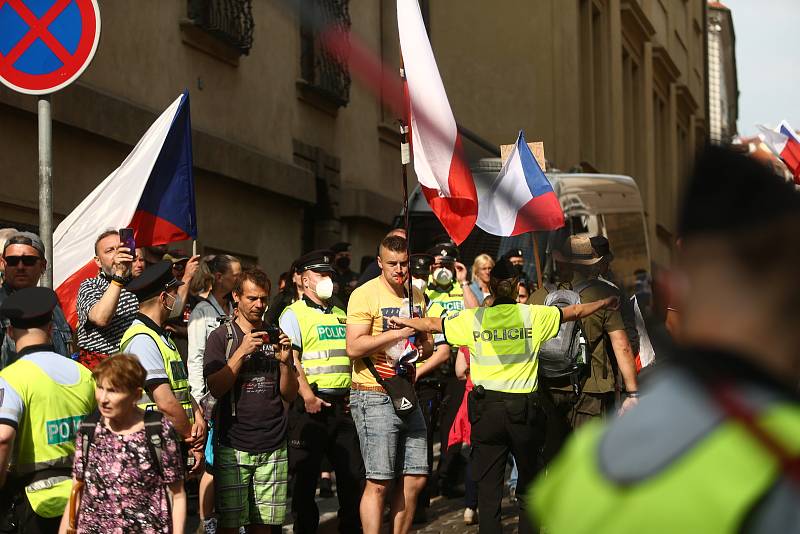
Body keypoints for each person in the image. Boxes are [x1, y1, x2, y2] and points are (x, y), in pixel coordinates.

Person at [531, 145, 800, 532]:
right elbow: (625, 343)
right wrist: (632, 390)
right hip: (598, 391)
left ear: (673, 287)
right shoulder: (784, 460)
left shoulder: (581, 470)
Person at [389, 258, 623, 534]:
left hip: (486, 412)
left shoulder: (474, 318)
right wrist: (605, 303)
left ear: (492, 290)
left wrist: (402, 320)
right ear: (513, 288)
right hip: (523, 413)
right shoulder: (533, 315)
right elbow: (576, 311)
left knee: (488, 494)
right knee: (530, 488)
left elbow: (431, 324)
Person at [345, 234, 432, 534]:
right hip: (373, 394)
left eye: (404, 264)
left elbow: (428, 346)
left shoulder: (417, 295)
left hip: (407, 391)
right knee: (379, 481)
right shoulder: (364, 295)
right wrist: (396, 333)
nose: (399, 270)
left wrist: (423, 342)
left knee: (416, 476)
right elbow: (354, 347)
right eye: (392, 264)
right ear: (380, 263)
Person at [204, 268, 299, 533]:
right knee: (231, 526)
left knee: (264, 527)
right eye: (252, 298)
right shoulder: (221, 337)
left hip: (273, 444)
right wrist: (241, 353)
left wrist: (284, 364)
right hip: (234, 445)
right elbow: (216, 388)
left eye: (264, 299)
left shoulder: (275, 334)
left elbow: (290, 394)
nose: (259, 305)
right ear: (236, 297)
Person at [279, 250, 363, 534]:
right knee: (305, 482)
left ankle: (350, 528)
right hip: (312, 407)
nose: (327, 279)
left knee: (352, 477)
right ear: (304, 279)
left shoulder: (341, 312)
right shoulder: (293, 314)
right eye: (320, 274)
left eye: (329, 274)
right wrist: (307, 396)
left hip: (342, 407)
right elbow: (292, 359)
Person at [0, 287, 96, 533]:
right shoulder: (84, 375)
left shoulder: (10, 378)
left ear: (10, 332)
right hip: (83, 498)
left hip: (34, 504)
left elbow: (3, 438)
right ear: (51, 329)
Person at [59, 354, 186, 534]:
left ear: (136, 394)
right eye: (100, 388)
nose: (103, 398)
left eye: (113, 391)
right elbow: (77, 490)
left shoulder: (158, 430)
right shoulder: (89, 429)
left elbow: (178, 495)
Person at [531, 235, 640, 431]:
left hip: (547, 387)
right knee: (588, 455)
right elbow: (622, 345)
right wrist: (632, 393)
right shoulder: (604, 295)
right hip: (590, 389)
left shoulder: (539, 296)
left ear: (560, 262)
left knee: (554, 456)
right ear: (591, 264)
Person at [119, 262, 206, 474]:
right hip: (151, 444)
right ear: (163, 298)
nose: (177, 299)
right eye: (174, 292)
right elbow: (165, 402)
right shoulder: (142, 339)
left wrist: (198, 414)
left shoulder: (160, 336)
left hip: (168, 440)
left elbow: (180, 387)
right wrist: (191, 440)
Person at [1, 232, 72, 368]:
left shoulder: (53, 306)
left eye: (29, 261)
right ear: (4, 264)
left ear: (43, 265)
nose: (20, 267)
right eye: (12, 261)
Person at [76, 230, 139, 369]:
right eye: (110, 250)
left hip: (137, 369)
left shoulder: (140, 284)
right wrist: (119, 275)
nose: (118, 254)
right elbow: (101, 318)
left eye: (121, 247)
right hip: (104, 371)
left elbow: (171, 311)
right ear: (98, 261)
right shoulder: (90, 285)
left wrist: (187, 277)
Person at [187, 254, 242, 403]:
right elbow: (196, 358)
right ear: (219, 277)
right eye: (236, 276)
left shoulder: (238, 310)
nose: (240, 281)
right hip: (211, 393)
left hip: (237, 391)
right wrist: (198, 399)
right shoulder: (201, 312)